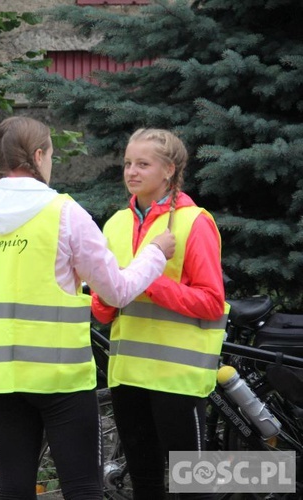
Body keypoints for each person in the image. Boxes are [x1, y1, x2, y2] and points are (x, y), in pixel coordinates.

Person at [0, 116, 176, 500]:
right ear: (39, 156)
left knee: (14, 485)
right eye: (51, 155)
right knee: (81, 487)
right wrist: (155, 253)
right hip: (59, 375)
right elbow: (117, 290)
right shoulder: (64, 212)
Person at [91, 129, 227, 500]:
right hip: (128, 375)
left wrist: (146, 277)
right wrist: (105, 296)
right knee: (145, 483)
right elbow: (104, 311)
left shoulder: (193, 221)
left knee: (193, 487)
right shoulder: (116, 223)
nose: (131, 172)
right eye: (128, 163)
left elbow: (212, 302)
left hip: (177, 378)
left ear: (168, 171)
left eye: (143, 164)